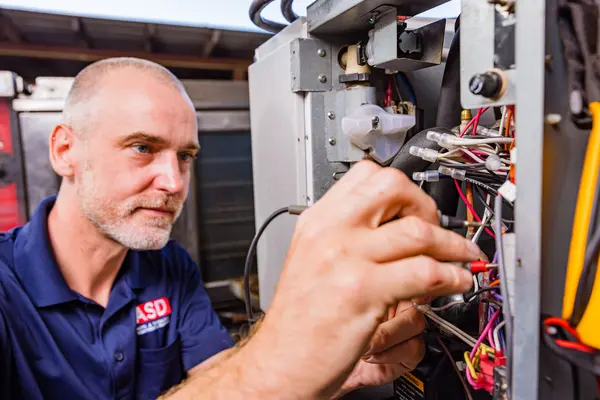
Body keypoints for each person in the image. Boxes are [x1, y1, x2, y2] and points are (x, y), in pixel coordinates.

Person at [0, 57, 479, 400]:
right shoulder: (6, 289)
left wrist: (330, 370)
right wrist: (277, 358)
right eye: (142, 147)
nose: (173, 182)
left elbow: (216, 376)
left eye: (185, 156)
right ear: (65, 150)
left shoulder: (167, 266)